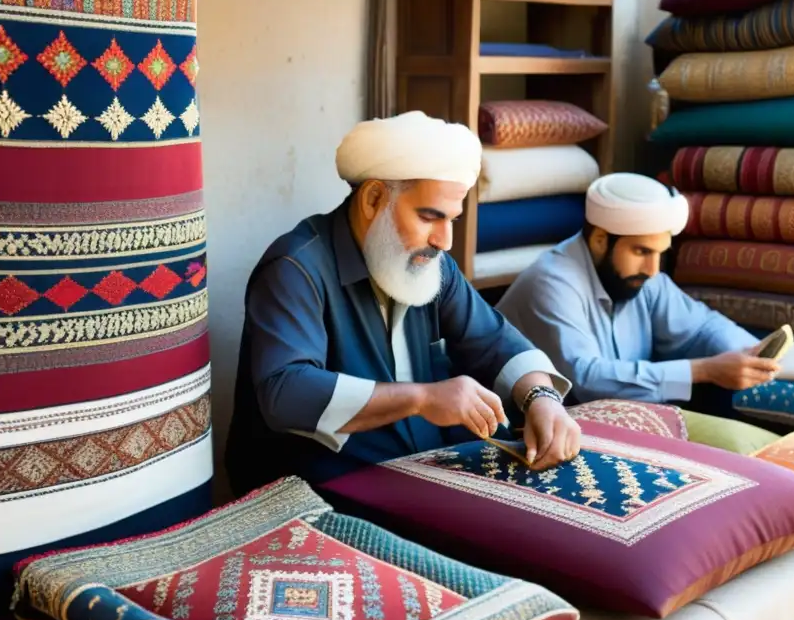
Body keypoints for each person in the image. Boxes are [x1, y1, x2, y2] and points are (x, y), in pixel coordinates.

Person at [225, 111, 580, 496]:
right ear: (374, 199)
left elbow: (492, 340)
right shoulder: (296, 268)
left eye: (452, 220)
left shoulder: (432, 266)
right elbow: (286, 392)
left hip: (413, 468)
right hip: (318, 487)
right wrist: (423, 398)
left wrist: (541, 398)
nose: (444, 239)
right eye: (430, 217)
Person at [496, 172, 781, 408]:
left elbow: (701, 328)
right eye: (642, 251)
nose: (653, 269)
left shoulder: (641, 275)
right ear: (599, 240)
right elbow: (585, 379)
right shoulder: (552, 281)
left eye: (659, 253)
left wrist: (748, 355)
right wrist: (705, 370)